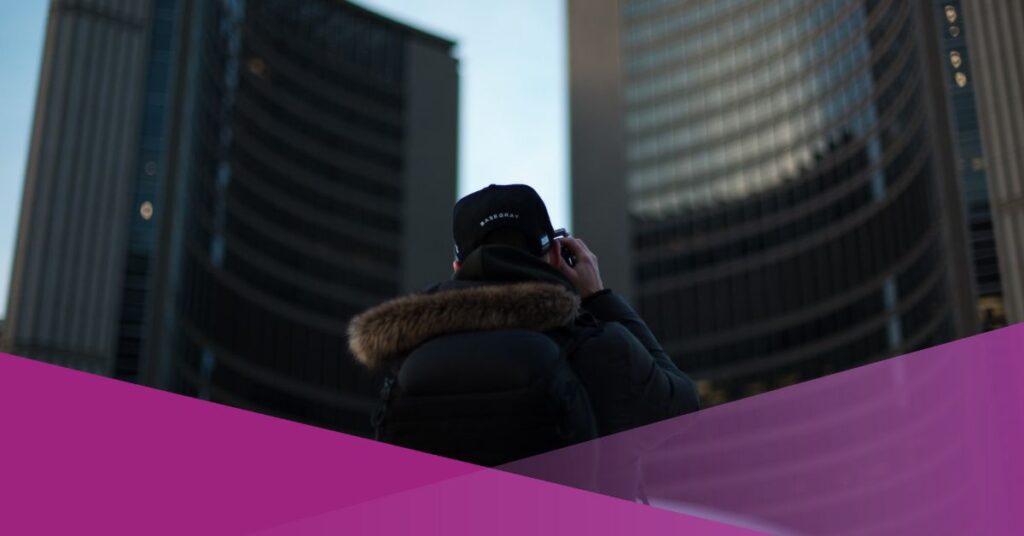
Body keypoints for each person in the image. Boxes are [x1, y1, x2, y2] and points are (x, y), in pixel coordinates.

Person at [348, 184, 699, 465]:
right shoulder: (599, 348)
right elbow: (682, 410)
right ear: (558, 255)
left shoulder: (405, 359)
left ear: (458, 268)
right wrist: (599, 297)